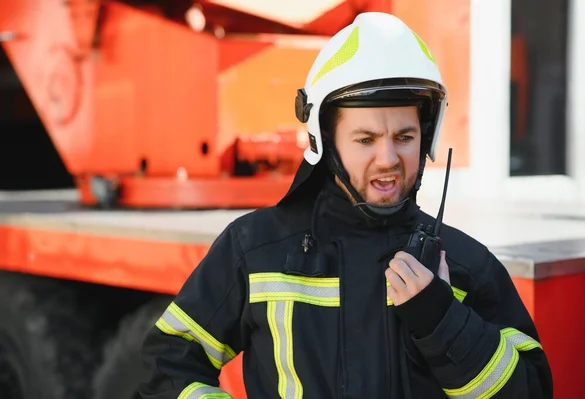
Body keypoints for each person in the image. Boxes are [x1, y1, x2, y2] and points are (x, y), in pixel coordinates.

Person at [138, 12, 553, 398]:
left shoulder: (463, 264)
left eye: (405, 137)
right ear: (325, 141)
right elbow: (167, 363)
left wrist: (444, 322)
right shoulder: (255, 249)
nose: (389, 158)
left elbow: (532, 389)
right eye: (366, 139)